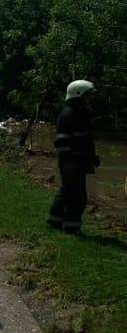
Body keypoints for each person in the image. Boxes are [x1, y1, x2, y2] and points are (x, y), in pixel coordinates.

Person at [47, 80, 100, 234]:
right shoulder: (68, 114)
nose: (89, 99)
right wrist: (68, 163)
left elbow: (86, 139)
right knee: (77, 196)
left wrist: (92, 156)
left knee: (68, 191)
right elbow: (62, 142)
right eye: (87, 96)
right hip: (71, 161)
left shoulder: (82, 113)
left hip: (79, 160)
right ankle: (72, 226)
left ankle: (55, 220)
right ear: (78, 96)